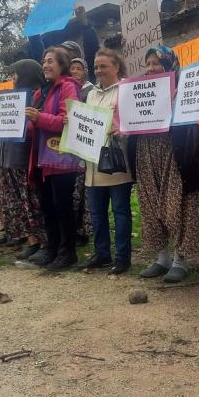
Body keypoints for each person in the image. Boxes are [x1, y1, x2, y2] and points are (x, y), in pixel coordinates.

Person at [132, 46, 199, 283]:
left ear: (170, 64)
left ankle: (180, 259)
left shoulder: (184, 87)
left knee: (176, 202)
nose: (151, 68)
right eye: (148, 64)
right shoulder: (138, 89)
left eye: (156, 63)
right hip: (146, 152)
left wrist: (174, 102)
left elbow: (193, 121)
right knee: (151, 203)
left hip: (175, 152)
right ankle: (161, 258)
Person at [24, 47, 83, 270]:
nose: (46, 65)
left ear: (62, 65)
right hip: (40, 157)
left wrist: (38, 118)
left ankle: (68, 252)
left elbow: (66, 121)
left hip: (60, 158)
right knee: (47, 205)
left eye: (51, 61)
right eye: (44, 61)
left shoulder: (68, 87)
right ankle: (52, 247)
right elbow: (33, 127)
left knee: (62, 206)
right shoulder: (40, 92)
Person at [78, 48, 134, 275]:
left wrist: (123, 131)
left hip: (116, 162)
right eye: (96, 67)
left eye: (103, 66)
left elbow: (134, 123)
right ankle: (102, 254)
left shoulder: (126, 90)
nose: (98, 70)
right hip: (92, 162)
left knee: (120, 210)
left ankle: (122, 258)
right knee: (97, 212)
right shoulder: (90, 94)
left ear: (117, 67)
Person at [0, 59, 48, 258]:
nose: (13, 77)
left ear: (26, 73)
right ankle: (32, 240)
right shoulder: (11, 97)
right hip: (9, 157)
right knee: (17, 201)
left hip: (26, 158)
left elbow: (36, 125)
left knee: (31, 202)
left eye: (16, 73)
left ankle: (44, 242)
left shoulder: (37, 96)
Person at [28, 6, 101, 82]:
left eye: (69, 51)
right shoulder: (54, 74)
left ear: (78, 56)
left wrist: (85, 23)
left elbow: (91, 48)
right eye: (62, 51)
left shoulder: (87, 71)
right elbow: (39, 51)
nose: (64, 54)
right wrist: (33, 26)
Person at [69, 56, 93, 246]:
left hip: (86, 145)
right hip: (71, 146)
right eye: (73, 68)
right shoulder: (68, 90)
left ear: (85, 70)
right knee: (73, 191)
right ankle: (74, 228)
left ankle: (83, 230)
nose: (75, 71)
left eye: (79, 68)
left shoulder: (89, 90)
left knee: (84, 190)